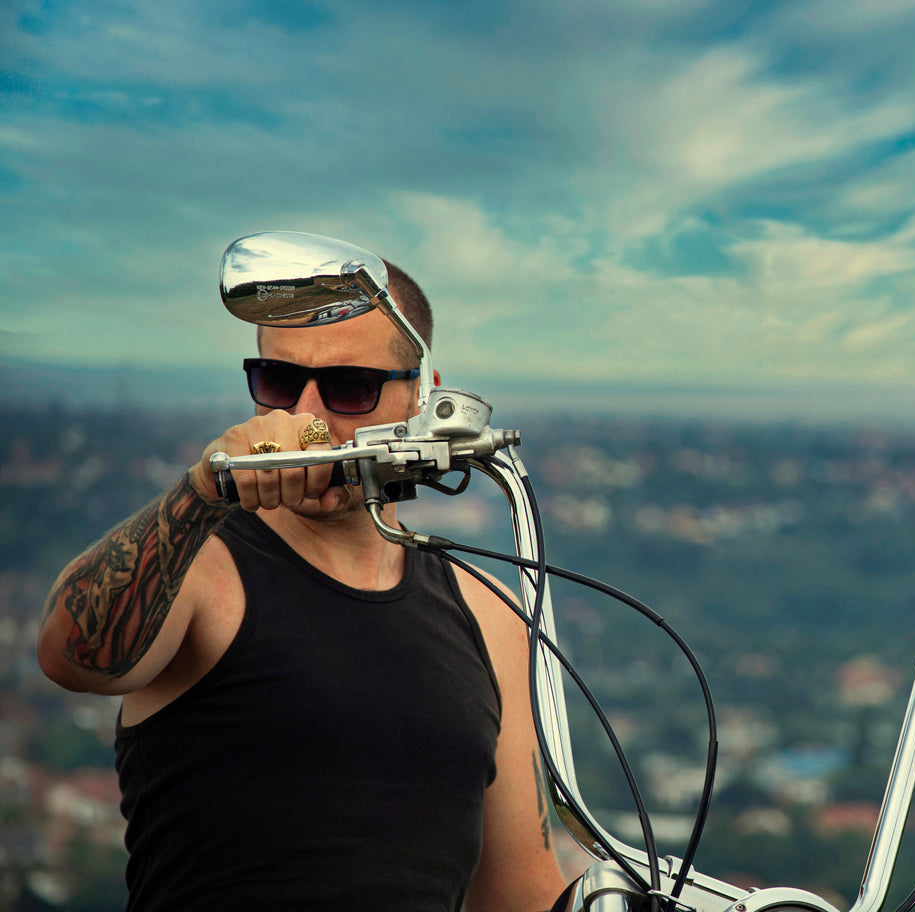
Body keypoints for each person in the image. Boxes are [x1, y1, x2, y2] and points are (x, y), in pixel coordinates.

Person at [38, 253, 567, 912]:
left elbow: (520, 889)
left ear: (424, 397)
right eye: (279, 382)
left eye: (349, 388)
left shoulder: (489, 615)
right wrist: (203, 490)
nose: (308, 419)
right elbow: (71, 656)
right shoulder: (203, 570)